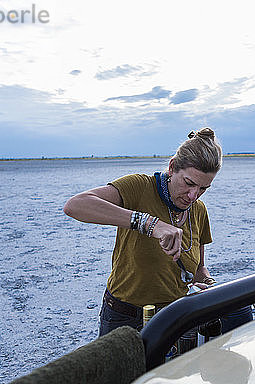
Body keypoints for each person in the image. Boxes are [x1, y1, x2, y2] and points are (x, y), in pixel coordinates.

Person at [64, 127, 222, 336]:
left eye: (203, 189)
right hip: (126, 317)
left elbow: (200, 268)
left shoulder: (199, 211)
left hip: (177, 316)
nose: (194, 195)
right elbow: (75, 206)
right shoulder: (139, 188)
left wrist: (207, 284)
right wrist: (150, 224)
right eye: (189, 183)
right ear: (173, 167)